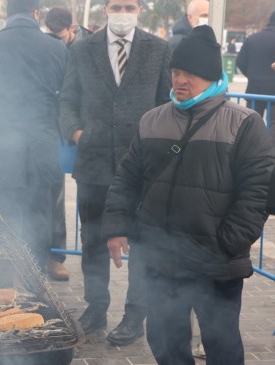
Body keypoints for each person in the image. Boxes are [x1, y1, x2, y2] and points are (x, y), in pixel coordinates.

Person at [103, 25, 275, 364]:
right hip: (160, 257)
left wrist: (226, 242)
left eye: (191, 74)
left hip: (215, 261)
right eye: (176, 72)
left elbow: (257, 193)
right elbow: (127, 177)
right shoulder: (152, 120)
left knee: (222, 345)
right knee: (164, 341)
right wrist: (117, 226)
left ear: (212, 77)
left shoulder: (244, 123)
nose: (180, 80)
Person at [58, 0, 171, 345]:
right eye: (116, 5)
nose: (123, 11)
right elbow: (66, 99)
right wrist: (77, 133)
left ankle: (135, 315)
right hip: (93, 164)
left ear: (139, 9)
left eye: (130, 5)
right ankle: (96, 307)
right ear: (106, 9)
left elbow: (166, 100)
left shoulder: (160, 48)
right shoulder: (82, 48)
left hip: (141, 166)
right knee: (92, 239)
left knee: (141, 242)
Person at [0, 0, 67, 274]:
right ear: (36, 13)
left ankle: (5, 279)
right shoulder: (56, 47)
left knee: (3, 218)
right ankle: (37, 283)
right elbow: (65, 99)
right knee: (40, 218)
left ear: (7, 15)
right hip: (42, 148)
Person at [43, 6, 92, 281]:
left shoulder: (88, 46)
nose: (56, 42)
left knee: (88, 193)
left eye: (60, 37)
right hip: (55, 128)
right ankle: (55, 254)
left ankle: (92, 251)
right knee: (53, 192)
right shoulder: (49, 45)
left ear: (72, 29)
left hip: (82, 130)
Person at [237, 10, 275, 157]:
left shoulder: (252, 39)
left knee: (251, 123)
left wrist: (253, 75)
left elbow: (240, 62)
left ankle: (248, 157)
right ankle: (272, 160)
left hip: (255, 90)